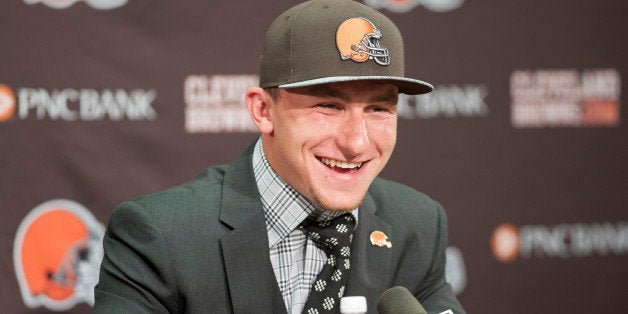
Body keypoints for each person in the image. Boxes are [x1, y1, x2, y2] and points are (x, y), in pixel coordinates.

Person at [93, 0, 465, 313]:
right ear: (263, 111)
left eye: (378, 110)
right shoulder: (159, 236)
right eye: (328, 106)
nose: (356, 142)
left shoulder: (418, 225)